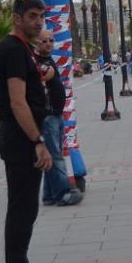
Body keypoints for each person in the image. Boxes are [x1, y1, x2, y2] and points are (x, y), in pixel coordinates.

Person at [0, 0, 57, 263]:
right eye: (31, 16)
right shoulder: (13, 50)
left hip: (21, 137)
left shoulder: (22, 48)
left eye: (40, 16)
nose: (38, 22)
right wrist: (37, 141)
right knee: (21, 209)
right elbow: (18, 103)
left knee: (26, 208)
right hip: (20, 140)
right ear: (16, 18)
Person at [35, 30, 82, 207]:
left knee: (53, 154)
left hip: (56, 114)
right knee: (55, 155)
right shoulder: (38, 62)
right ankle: (63, 193)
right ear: (37, 43)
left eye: (51, 40)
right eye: (44, 41)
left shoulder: (48, 59)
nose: (48, 43)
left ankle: (49, 195)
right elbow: (40, 77)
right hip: (48, 116)